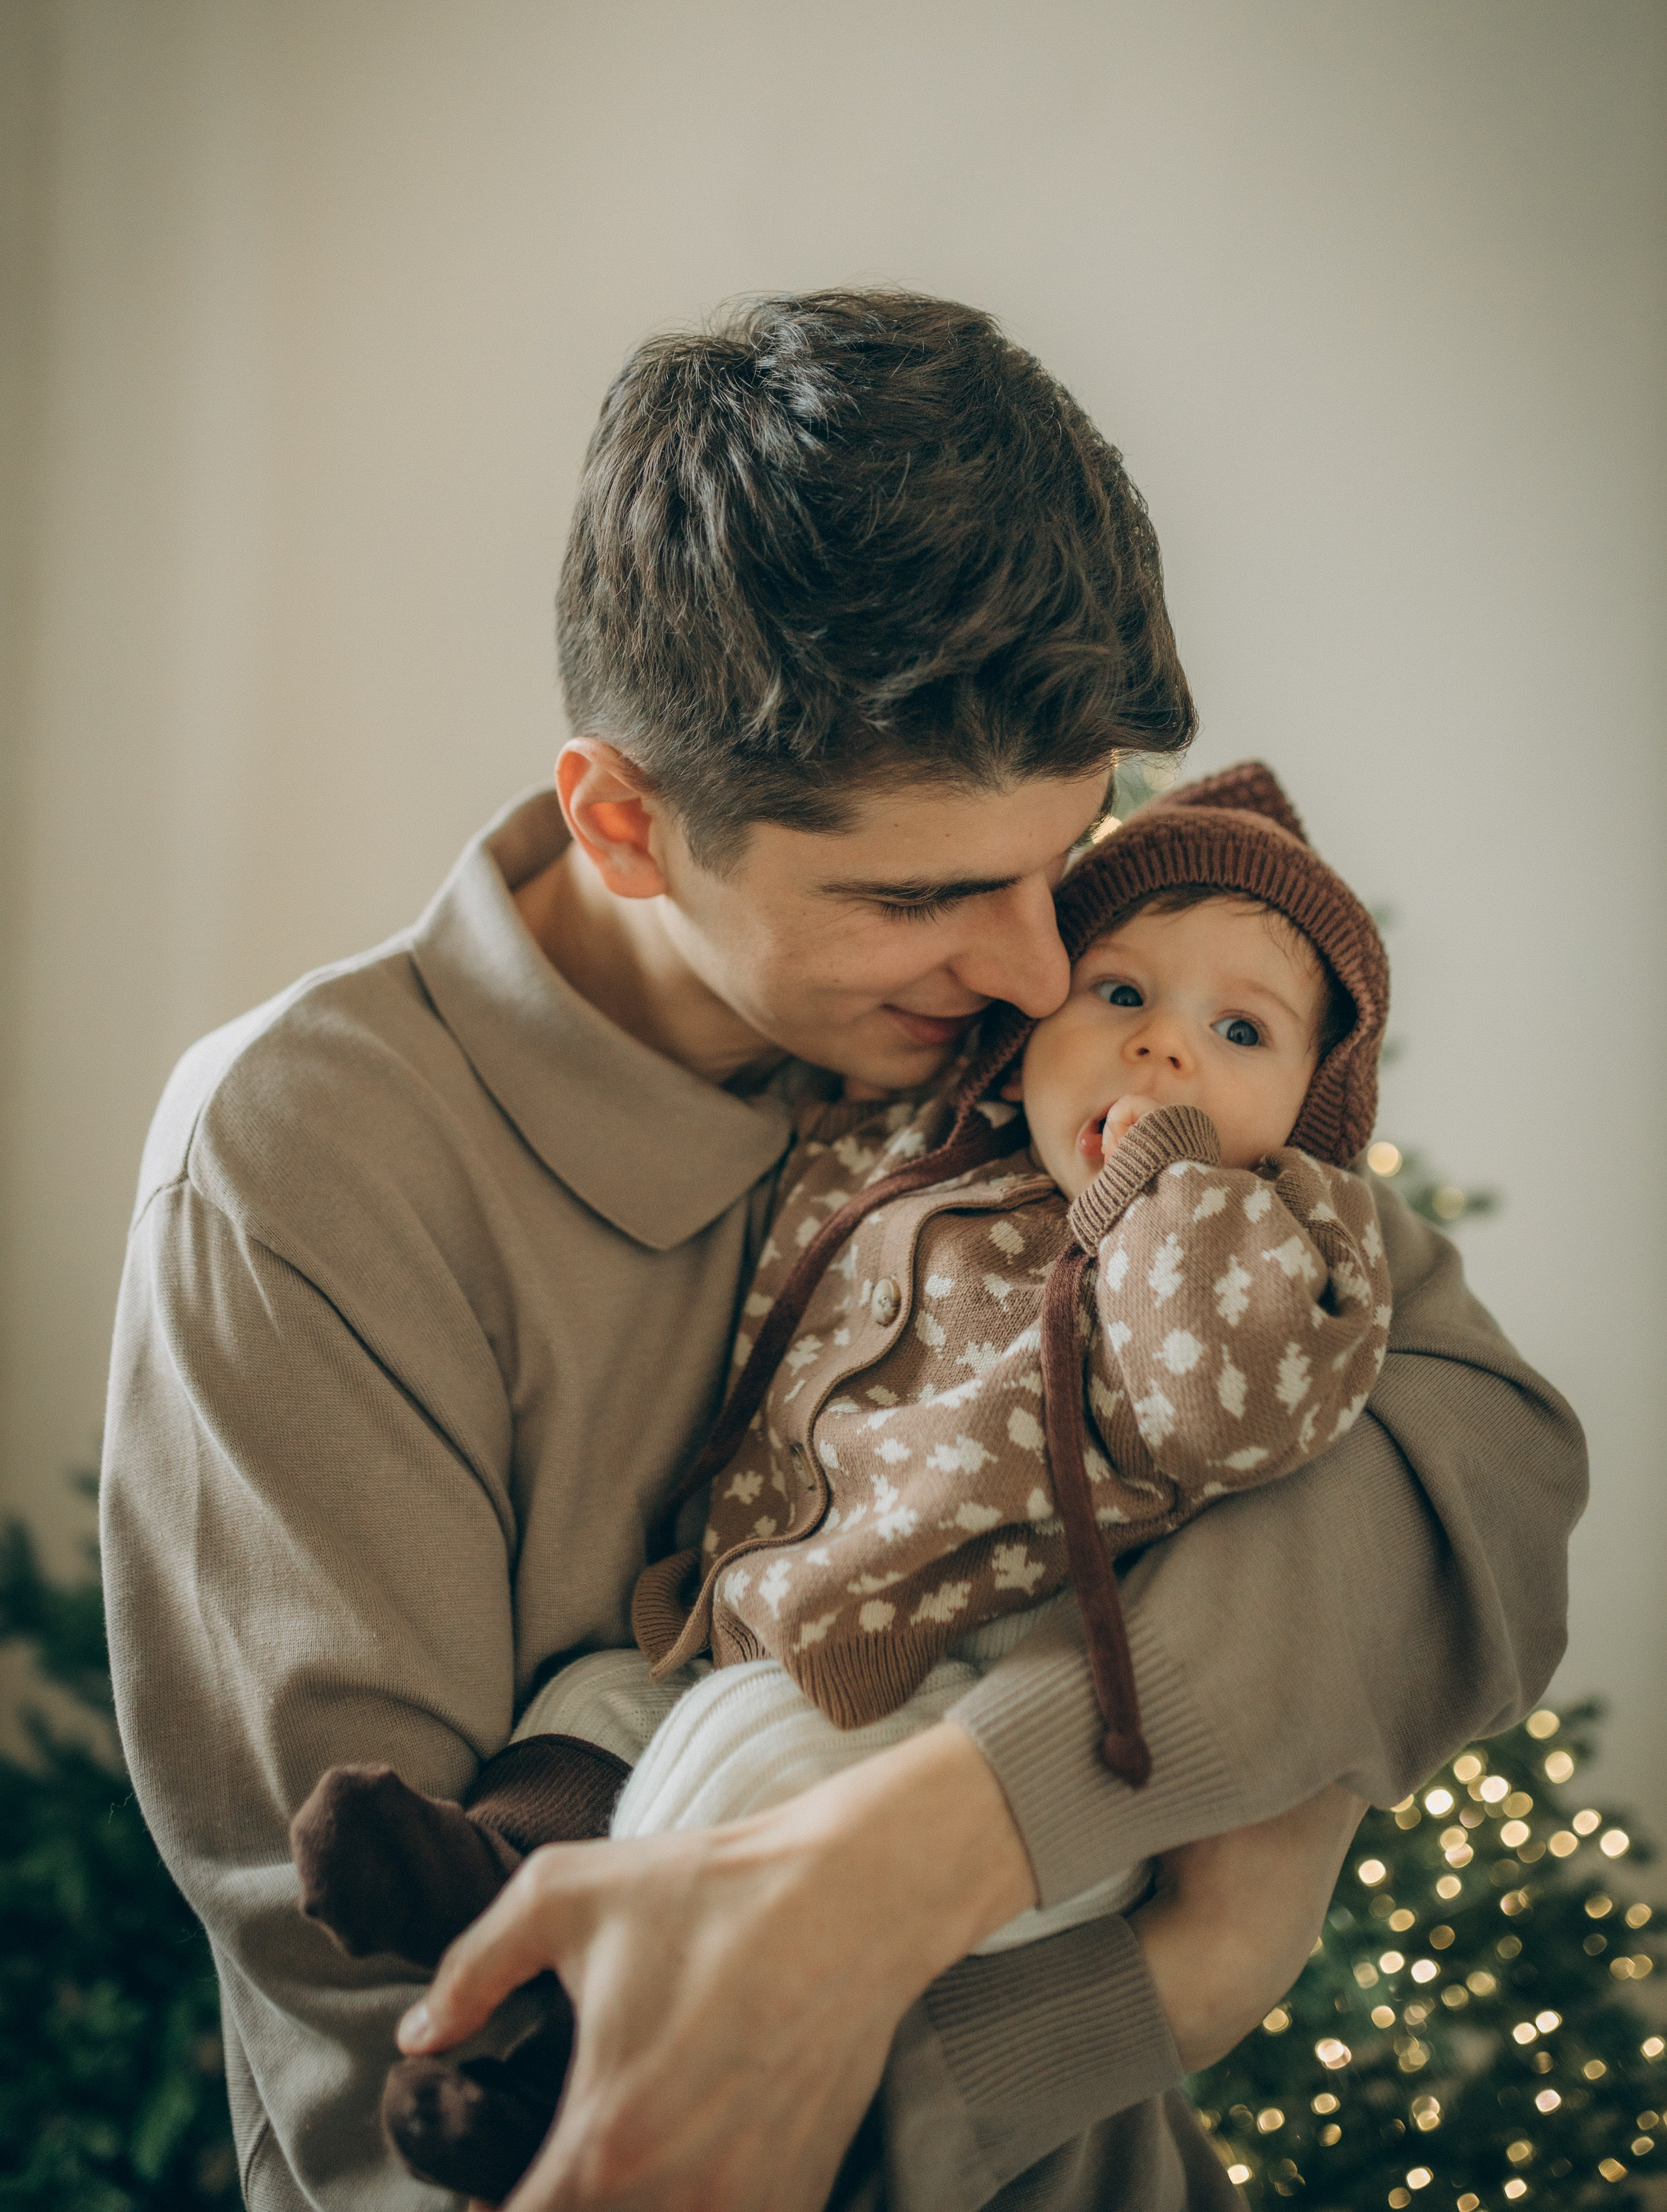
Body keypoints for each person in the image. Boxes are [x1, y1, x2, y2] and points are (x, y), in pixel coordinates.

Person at [101, 291, 1586, 2212]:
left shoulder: (1052, 1027)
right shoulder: (298, 1179)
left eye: (1062, 859)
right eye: (922, 896)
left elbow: (1477, 1464)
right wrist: (1160, 1986)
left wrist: (954, 1834)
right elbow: (444, 2101)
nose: (1044, 972)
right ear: (626, 825)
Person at [292, 761, 1399, 2206]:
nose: (1161, 1057)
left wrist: (1163, 1194)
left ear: (1309, 1110)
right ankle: (504, 1878)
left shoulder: (1277, 1238)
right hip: (777, 1620)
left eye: (1235, 1031)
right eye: (1117, 995)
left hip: (985, 1679)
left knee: (740, 1750)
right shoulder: (928, 1130)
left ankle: (570, 2059)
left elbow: (1227, 1415)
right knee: (592, 1704)